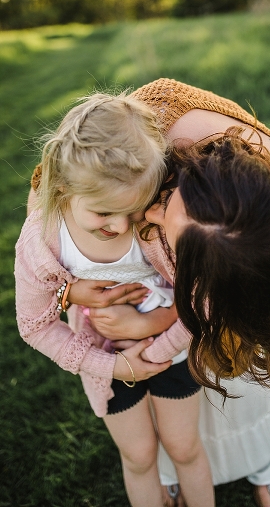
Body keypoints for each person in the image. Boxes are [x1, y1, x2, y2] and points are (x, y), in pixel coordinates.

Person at [62, 78, 270, 507]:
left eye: (165, 228)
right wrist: (70, 291)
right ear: (190, 174)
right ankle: (169, 468)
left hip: (202, 299)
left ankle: (264, 464)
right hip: (147, 299)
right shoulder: (147, 130)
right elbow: (56, 187)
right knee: (177, 417)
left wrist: (154, 324)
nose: (152, 214)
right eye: (165, 206)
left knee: (237, 378)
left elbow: (213, 302)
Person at [15, 93, 215, 507]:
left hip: (173, 350)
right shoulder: (43, 242)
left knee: (184, 447)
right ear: (63, 188)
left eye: (134, 208)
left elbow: (206, 298)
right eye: (104, 212)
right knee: (139, 455)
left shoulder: (160, 222)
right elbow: (34, 324)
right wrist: (116, 365)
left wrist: (154, 336)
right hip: (104, 362)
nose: (122, 225)